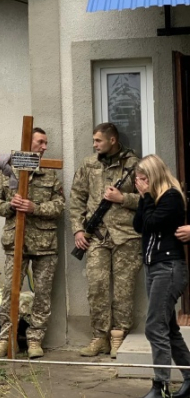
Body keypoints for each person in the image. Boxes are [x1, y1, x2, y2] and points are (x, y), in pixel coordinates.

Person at [0, 127, 65, 359]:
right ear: (26, 144)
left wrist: (36, 208)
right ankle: (6, 339)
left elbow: (60, 205)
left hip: (44, 244)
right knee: (10, 292)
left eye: (46, 143)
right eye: (40, 142)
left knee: (42, 294)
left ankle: (34, 340)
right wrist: (10, 206)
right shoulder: (7, 170)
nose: (44, 147)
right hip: (16, 243)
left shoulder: (50, 173)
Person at [70, 122, 141, 358]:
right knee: (96, 287)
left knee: (124, 290)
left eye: (98, 141)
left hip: (127, 236)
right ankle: (100, 338)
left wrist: (123, 198)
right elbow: (77, 198)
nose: (94, 145)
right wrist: (78, 230)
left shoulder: (135, 164)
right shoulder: (89, 164)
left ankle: (118, 337)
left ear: (112, 140)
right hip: (97, 236)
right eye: (93, 141)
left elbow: (148, 199)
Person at [131, 155, 190, 398]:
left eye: (143, 178)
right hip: (153, 267)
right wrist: (144, 199)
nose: (140, 183)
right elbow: (138, 225)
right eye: (137, 179)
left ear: (154, 176)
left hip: (169, 267)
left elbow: (153, 223)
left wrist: (145, 197)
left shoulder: (172, 197)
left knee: (155, 326)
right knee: (169, 328)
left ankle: (161, 387)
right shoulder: (153, 199)